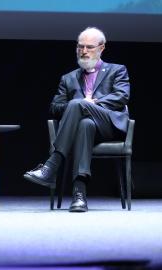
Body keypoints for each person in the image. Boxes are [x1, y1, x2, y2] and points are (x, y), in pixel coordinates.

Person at [23, 27, 130, 212]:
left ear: (101, 48)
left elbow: (121, 96)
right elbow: (55, 108)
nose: (84, 51)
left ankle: (52, 165)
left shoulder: (117, 70)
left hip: (108, 126)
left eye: (89, 47)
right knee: (84, 124)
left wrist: (90, 104)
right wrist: (80, 106)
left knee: (77, 103)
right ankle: (79, 196)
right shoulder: (68, 78)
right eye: (80, 46)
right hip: (82, 129)